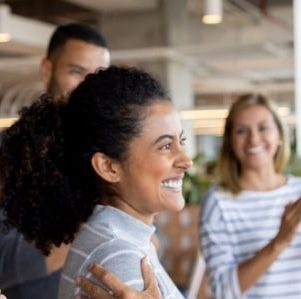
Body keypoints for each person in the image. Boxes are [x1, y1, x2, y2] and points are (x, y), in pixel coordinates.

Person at [0, 66, 191, 299]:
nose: (186, 161)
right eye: (165, 146)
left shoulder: (125, 240)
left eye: (181, 141)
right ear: (108, 167)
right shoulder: (119, 258)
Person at [200, 94, 301, 298]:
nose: (253, 138)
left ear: (279, 135)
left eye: (263, 128)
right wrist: (279, 242)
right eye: (241, 131)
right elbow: (223, 290)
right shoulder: (219, 202)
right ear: (230, 142)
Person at [0, 22, 110, 299]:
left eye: (98, 76)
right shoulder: (7, 150)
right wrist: (98, 230)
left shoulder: (108, 152)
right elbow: (5, 261)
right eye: (77, 72)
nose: (88, 86)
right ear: (47, 70)